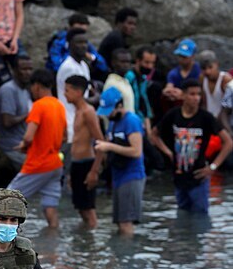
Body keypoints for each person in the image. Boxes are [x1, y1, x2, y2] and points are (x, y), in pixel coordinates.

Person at [151, 79, 233, 214]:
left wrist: (213, 167)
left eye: (198, 94)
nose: (196, 98)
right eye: (192, 94)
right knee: (182, 215)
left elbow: (228, 142)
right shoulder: (174, 115)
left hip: (199, 177)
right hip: (179, 177)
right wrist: (168, 152)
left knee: (200, 218)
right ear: (183, 96)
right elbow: (154, 134)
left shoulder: (205, 117)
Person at [7, 69, 66, 228]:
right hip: (56, 164)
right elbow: (65, 136)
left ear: (37, 86)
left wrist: (24, 145)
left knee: (6, 200)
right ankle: (53, 246)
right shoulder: (59, 106)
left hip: (38, 164)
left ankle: (0, 241)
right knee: (50, 206)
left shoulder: (38, 106)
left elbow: (28, 137)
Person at [94, 87, 146, 236]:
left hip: (132, 176)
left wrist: (109, 146)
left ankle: (128, 255)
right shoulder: (112, 123)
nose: (107, 115)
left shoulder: (132, 121)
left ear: (120, 106)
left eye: (110, 110)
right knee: (119, 222)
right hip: (118, 176)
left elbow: (137, 151)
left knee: (125, 223)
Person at [64, 75, 104, 229]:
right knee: (80, 208)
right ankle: (83, 244)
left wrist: (94, 171)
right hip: (76, 164)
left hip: (87, 164)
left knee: (89, 209)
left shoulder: (88, 111)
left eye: (67, 90)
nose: (65, 94)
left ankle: (92, 247)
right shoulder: (78, 111)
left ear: (78, 92)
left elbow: (100, 142)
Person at [0, 55, 33, 170]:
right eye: (24, 69)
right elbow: (7, 121)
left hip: (25, 146)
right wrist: (30, 114)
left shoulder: (26, 90)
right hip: (13, 147)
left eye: (30, 69)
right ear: (14, 70)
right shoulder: (8, 90)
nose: (28, 73)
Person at [56, 28, 90, 146]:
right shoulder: (68, 67)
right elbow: (77, 98)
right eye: (79, 42)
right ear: (69, 45)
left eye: (85, 42)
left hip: (80, 118)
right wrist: (97, 98)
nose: (83, 46)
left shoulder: (84, 65)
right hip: (70, 120)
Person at [162, 39, 201, 103]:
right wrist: (169, 91)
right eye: (180, 56)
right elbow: (169, 85)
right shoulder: (173, 73)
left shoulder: (199, 71)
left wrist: (183, 94)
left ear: (193, 56)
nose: (181, 59)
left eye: (185, 57)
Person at [197, 50, 232, 118]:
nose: (208, 72)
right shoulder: (202, 78)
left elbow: (229, 108)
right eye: (204, 68)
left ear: (217, 64)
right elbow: (204, 103)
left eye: (210, 67)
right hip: (209, 120)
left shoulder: (226, 80)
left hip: (225, 121)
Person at [103, 48, 135, 113]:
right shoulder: (112, 84)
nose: (126, 65)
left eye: (128, 62)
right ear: (113, 63)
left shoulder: (125, 81)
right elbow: (111, 113)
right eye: (123, 62)